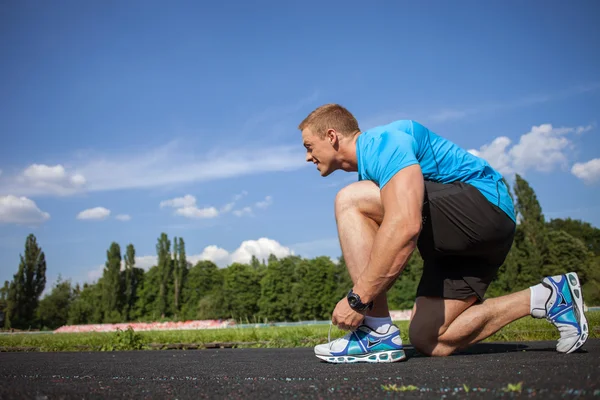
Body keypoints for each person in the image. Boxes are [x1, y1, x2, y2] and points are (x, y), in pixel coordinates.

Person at [297, 103, 589, 363]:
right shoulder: (374, 167)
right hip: (461, 240)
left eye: (309, 146)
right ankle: (548, 297)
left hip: (483, 208)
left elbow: (405, 225)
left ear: (332, 136)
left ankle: (374, 330)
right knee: (429, 339)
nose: (308, 157)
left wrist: (358, 300)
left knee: (350, 200)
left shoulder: (383, 143)